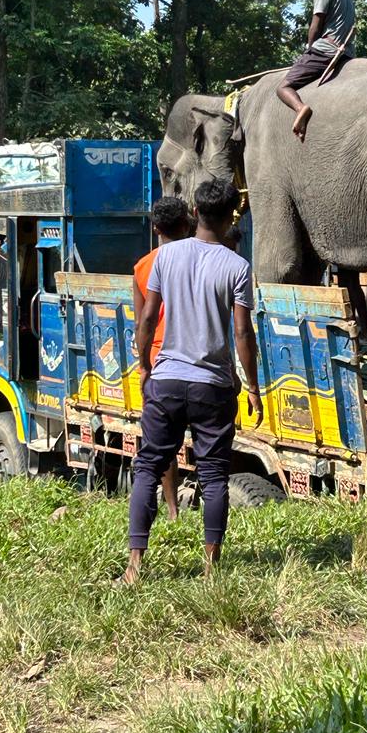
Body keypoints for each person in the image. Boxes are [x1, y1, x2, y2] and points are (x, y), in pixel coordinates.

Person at [122, 179, 263, 583]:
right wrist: (251, 386)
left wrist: (145, 365)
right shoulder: (237, 266)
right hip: (213, 386)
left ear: (195, 213)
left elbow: (148, 318)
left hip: (166, 380)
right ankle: (209, 567)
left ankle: (135, 565)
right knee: (214, 474)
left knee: (148, 467)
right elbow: (242, 334)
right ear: (230, 217)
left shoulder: (166, 257)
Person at [132, 197, 191, 521]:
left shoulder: (143, 267)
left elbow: (143, 322)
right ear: (186, 224)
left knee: (161, 441)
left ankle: (171, 509)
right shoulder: (202, 260)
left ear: (155, 228)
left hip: (160, 364)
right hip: (199, 360)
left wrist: (143, 365)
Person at [276, 0, 355, 141]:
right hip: (347, 50)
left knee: (282, 87)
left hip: (326, 49)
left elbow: (316, 24)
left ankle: (301, 108)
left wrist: (309, 49)